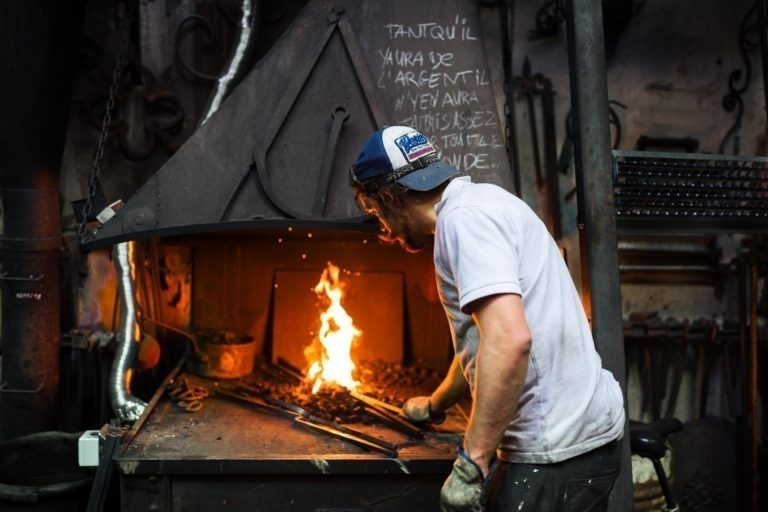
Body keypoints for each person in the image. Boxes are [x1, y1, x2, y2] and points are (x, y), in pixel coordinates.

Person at [349, 126, 626, 512]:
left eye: (376, 213)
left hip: (553, 450)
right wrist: (435, 403)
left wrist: (471, 464)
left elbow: (509, 342)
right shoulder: (484, 202)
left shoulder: (464, 223)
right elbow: (483, 344)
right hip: (579, 436)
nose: (385, 229)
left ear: (389, 199)